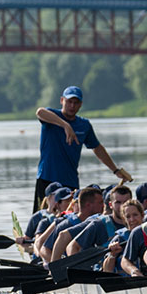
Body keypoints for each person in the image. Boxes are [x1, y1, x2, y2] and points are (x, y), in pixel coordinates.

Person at [33, 85, 132, 213]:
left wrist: (115, 170)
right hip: (47, 178)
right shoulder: (52, 117)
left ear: (81, 104)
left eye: (76, 102)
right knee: (43, 215)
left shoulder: (84, 125)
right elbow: (39, 112)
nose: (72, 106)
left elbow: (97, 148)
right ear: (62, 100)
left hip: (70, 180)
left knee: (69, 215)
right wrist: (65, 125)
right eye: (69, 101)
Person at [66, 185, 132, 255]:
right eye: (118, 202)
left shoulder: (138, 222)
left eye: (125, 202)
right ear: (110, 204)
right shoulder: (99, 224)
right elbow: (72, 246)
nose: (122, 206)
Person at [49, 186, 106, 262]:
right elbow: (46, 247)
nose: (103, 205)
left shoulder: (99, 220)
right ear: (88, 205)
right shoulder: (65, 224)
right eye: (100, 202)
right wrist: (54, 268)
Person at [103, 200, 145, 275]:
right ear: (124, 219)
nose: (132, 219)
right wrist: (112, 255)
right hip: (125, 283)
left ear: (142, 215)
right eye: (128, 217)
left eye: (135, 215)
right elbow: (106, 270)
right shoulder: (119, 238)